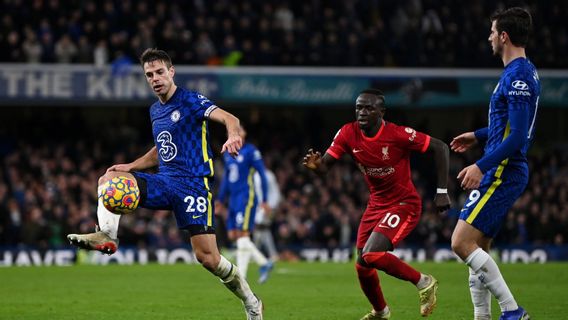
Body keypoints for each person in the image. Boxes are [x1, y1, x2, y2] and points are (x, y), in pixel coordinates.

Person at [67, 48, 263, 319]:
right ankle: (108, 236)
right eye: (149, 74)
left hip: (193, 186)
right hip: (164, 181)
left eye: (160, 72)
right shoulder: (155, 111)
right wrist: (131, 166)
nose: (155, 78)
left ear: (171, 72)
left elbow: (231, 119)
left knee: (208, 258)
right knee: (109, 179)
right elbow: (162, 148)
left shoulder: (191, 100)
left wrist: (232, 135)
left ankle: (252, 302)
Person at [303, 88, 451, 320]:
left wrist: (442, 191)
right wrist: (316, 167)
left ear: (382, 112)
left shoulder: (398, 134)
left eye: (369, 108)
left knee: (372, 255)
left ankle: (424, 282)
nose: (362, 112)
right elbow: (325, 166)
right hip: (376, 204)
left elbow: (440, 147)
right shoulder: (347, 133)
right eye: (359, 107)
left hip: (404, 203)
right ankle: (381, 312)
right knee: (362, 266)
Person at [450, 7, 539, 320]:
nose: (489, 37)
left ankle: (513, 312)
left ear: (504, 36)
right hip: (505, 167)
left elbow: (517, 138)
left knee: (460, 243)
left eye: (492, 32)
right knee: (479, 247)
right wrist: (478, 134)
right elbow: (513, 127)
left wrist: (481, 165)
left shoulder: (518, 77)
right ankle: (482, 317)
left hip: (503, 169)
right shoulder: (522, 72)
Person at [215, 126, 274, 284]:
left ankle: (240, 275)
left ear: (244, 134)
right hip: (233, 199)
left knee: (243, 235)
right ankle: (264, 262)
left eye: (239, 130)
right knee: (233, 235)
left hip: (246, 198)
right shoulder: (228, 152)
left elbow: (261, 173)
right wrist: (220, 200)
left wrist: (265, 199)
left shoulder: (250, 151)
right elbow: (227, 179)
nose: (235, 132)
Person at [253, 167, 281, 264]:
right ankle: (272, 254)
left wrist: (271, 206)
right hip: (257, 207)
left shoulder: (269, 175)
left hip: (267, 206)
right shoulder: (254, 175)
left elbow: (275, 191)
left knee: (261, 227)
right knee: (263, 229)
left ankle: (256, 253)